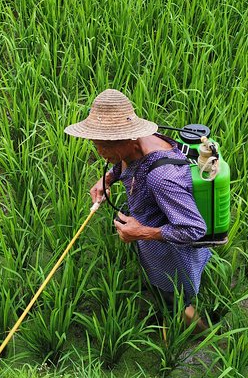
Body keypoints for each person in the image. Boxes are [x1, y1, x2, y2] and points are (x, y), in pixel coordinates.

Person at [64, 88, 210, 333]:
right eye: (96, 144)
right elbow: (127, 162)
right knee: (167, 296)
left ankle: (202, 332)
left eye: (102, 146)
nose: (98, 152)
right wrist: (108, 178)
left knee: (175, 301)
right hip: (157, 246)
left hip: (173, 258)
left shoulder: (161, 178)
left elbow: (194, 229)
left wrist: (141, 232)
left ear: (128, 139)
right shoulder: (140, 143)